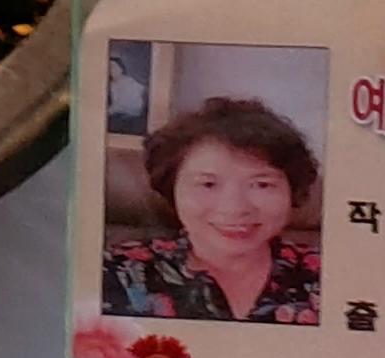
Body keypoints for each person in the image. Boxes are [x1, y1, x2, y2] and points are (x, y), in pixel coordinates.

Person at [102, 93, 321, 325]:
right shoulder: (116, 272)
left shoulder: (330, 275)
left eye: (262, 184)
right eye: (208, 184)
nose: (235, 208)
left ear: (292, 190)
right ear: (171, 187)